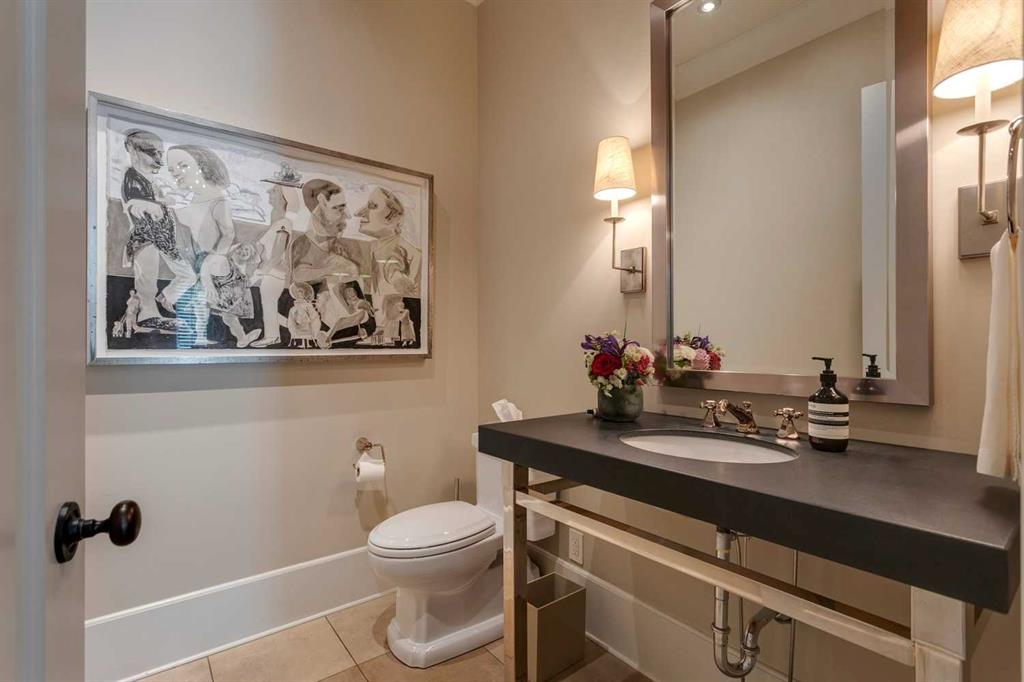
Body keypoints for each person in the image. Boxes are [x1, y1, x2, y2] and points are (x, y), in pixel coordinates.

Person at [166, 144, 260, 348]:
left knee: (224, 310)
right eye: (171, 169)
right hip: (201, 262)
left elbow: (228, 234)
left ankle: (239, 338)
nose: (175, 172)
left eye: (183, 165)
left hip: (214, 263)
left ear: (203, 167)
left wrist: (209, 267)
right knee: (204, 305)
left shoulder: (218, 200)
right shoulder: (191, 201)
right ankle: (205, 337)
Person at [120, 129, 197, 331]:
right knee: (146, 279)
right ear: (133, 150)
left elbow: (156, 204)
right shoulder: (132, 176)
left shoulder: (149, 181)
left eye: (160, 153)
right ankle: (148, 315)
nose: (158, 159)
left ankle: (165, 298)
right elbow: (134, 204)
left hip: (163, 238)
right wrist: (154, 206)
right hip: (145, 238)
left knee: (188, 275)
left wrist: (164, 202)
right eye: (151, 152)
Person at [251, 164, 303, 348]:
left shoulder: (284, 224)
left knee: (269, 304)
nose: (269, 193)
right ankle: (296, 327)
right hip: (270, 272)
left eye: (273, 191)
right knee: (269, 306)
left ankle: (272, 336)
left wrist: (261, 271)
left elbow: (277, 253)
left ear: (283, 197)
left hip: (274, 273)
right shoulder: (278, 223)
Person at [290, 179, 366, 287]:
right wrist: (332, 270)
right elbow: (298, 276)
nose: (348, 215)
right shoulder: (302, 244)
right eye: (338, 208)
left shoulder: (345, 246)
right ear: (321, 202)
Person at [356, 186, 421, 299]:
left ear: (396, 218)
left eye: (372, 206)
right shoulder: (364, 252)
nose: (358, 213)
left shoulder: (416, 258)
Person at [287, 282, 321, 348]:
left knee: (308, 331)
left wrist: (313, 324)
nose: (299, 293)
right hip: (297, 325)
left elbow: (313, 316)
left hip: (307, 325)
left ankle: (308, 343)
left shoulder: (308, 306)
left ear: (304, 294)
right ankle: (301, 342)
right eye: (298, 292)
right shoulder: (293, 308)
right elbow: (291, 318)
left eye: (301, 292)